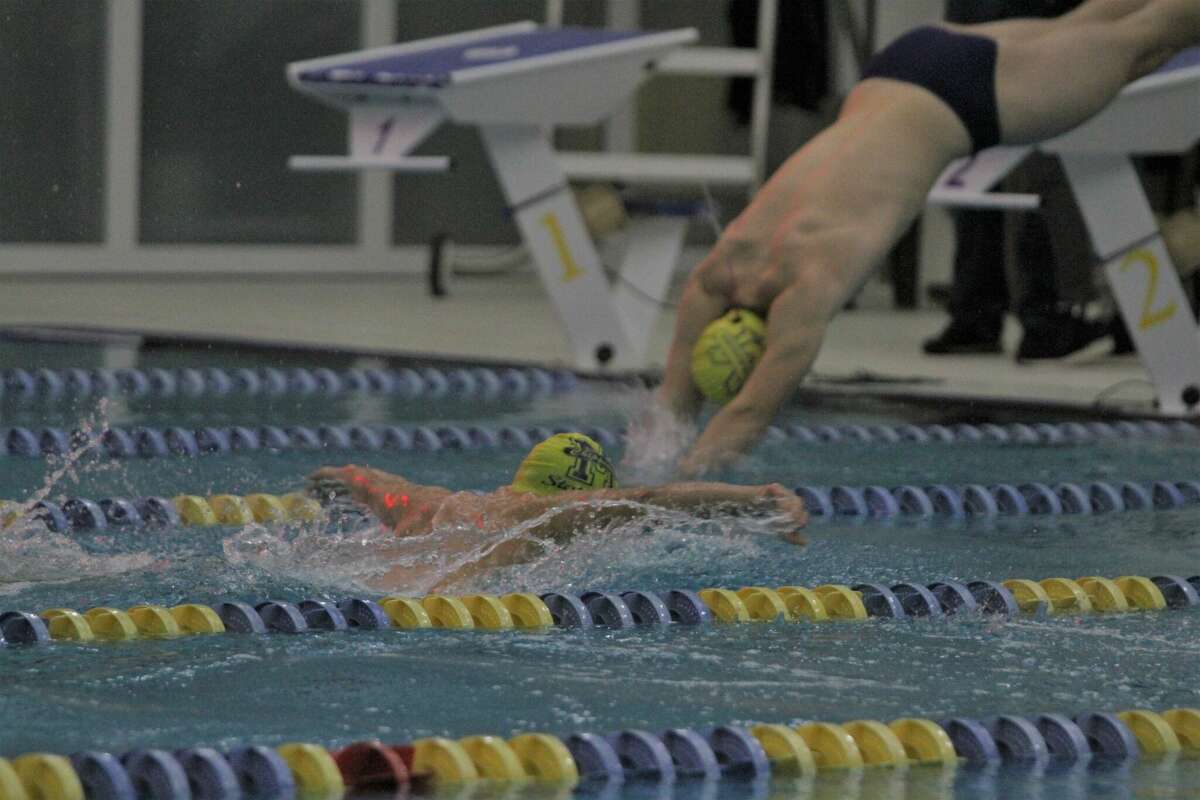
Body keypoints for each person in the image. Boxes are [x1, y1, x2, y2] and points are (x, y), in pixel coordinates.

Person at [658, 0, 1200, 475]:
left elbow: (743, 415)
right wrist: (654, 457)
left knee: (1146, 41)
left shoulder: (802, 287)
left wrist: (664, 494)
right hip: (902, 65)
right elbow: (673, 404)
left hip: (963, 99)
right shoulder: (723, 264)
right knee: (1096, 18)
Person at [307, 433, 808, 588]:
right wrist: (753, 503)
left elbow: (370, 483)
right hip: (428, 609)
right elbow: (646, 500)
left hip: (357, 588)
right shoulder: (549, 516)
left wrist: (339, 480)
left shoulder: (437, 503)